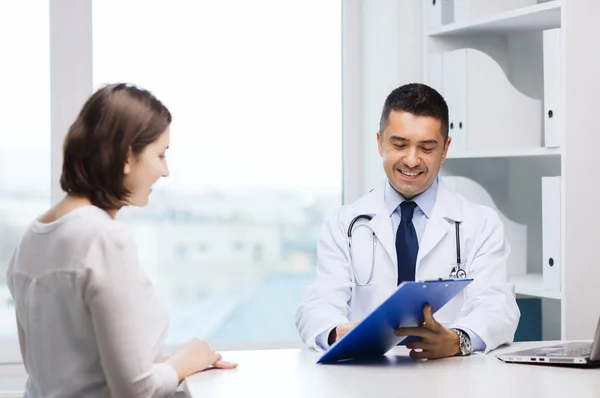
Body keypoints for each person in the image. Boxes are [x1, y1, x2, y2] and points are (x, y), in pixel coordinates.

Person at [7, 83, 237, 398]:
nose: (165, 171)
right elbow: (135, 390)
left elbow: (75, 372)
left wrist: (169, 366)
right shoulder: (103, 238)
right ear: (128, 156)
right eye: (160, 154)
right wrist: (185, 361)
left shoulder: (32, 237)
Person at [295, 83, 520, 359]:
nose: (411, 160)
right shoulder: (343, 223)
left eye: (426, 148)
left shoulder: (480, 224)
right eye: (399, 145)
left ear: (445, 148)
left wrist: (458, 340)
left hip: (449, 378)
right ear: (380, 142)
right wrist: (335, 331)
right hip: (367, 377)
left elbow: (498, 306)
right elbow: (318, 302)